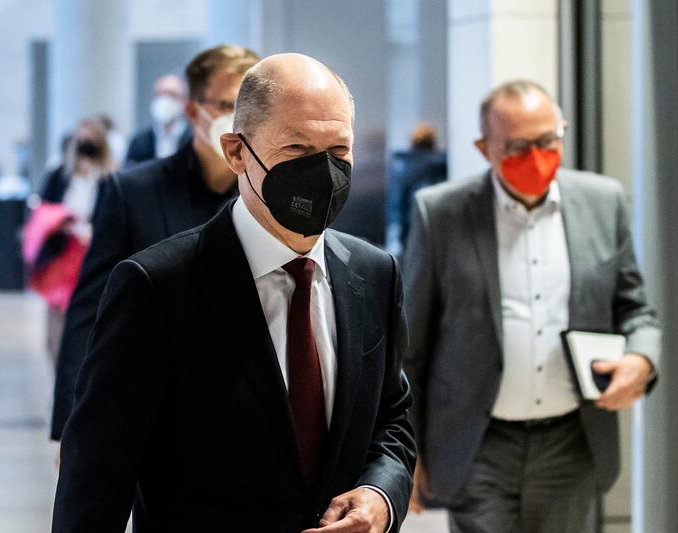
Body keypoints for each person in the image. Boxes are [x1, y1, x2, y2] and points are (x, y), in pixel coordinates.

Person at [52, 52, 416, 533]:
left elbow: (391, 419)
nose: (324, 172)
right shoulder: (157, 287)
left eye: (338, 151)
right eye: (297, 149)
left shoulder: (374, 274)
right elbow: (95, 484)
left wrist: (379, 496)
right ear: (237, 152)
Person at [402, 80, 661, 533]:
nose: (537, 157)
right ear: (485, 149)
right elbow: (411, 346)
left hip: (571, 440)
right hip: (476, 440)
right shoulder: (440, 214)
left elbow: (636, 308)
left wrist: (642, 358)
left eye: (547, 141)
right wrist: (409, 450)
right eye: (517, 147)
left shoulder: (604, 202)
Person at [49, 44, 259, 441]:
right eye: (229, 105)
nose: (241, 121)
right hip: (154, 417)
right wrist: (72, 424)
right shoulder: (133, 192)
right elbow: (89, 312)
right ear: (194, 111)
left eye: (251, 107)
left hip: (247, 417)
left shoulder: (268, 196)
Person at [26, 119, 114, 366]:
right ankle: (61, 382)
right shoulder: (60, 175)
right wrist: (64, 224)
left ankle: (82, 383)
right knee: (55, 330)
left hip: (94, 255)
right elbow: (43, 210)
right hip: (62, 254)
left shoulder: (110, 178)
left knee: (89, 322)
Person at [384, 122, 446, 256]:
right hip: (438, 226)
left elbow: (396, 200)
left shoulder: (404, 164)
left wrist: (395, 228)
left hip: (409, 226)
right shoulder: (442, 164)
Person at [124, 74, 190, 165]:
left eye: (172, 95)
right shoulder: (139, 142)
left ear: (184, 101)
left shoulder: (195, 140)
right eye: (160, 94)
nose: (165, 100)